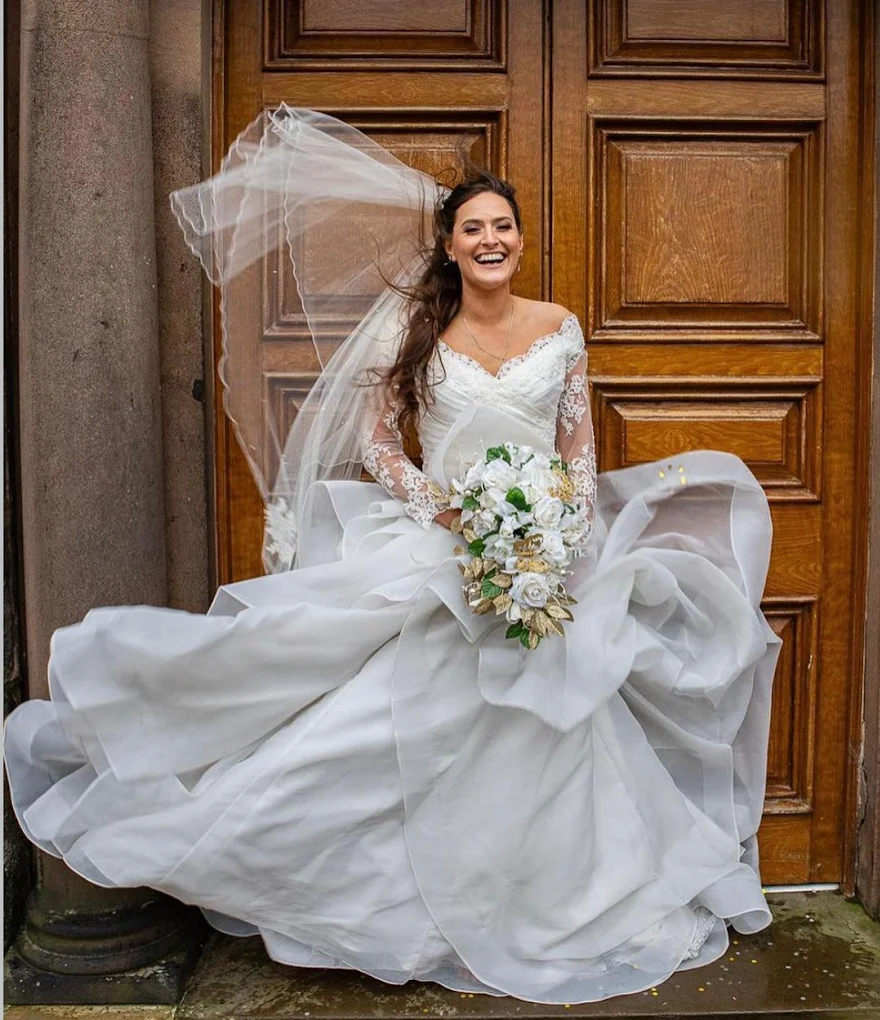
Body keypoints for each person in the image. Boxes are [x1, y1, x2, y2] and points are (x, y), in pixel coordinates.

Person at [4, 108, 780, 1004]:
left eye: (503, 227)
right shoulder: (417, 333)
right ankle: (376, 898)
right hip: (441, 551)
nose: (490, 240)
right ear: (450, 245)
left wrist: (560, 527)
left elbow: (578, 451)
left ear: (521, 243)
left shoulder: (561, 329)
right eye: (473, 228)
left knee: (551, 725)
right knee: (377, 723)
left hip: (544, 558)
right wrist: (443, 510)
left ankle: (538, 897)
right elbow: (379, 445)